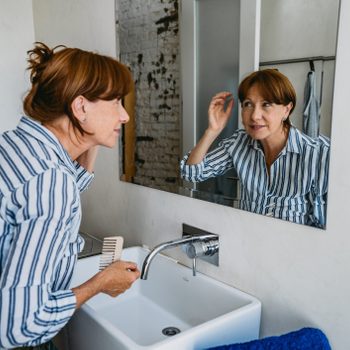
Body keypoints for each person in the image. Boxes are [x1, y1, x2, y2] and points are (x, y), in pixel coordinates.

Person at [0, 42, 140, 349]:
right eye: (116, 101)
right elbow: (20, 325)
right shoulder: (51, 182)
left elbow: (55, 192)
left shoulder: (18, 146)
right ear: (80, 108)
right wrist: (101, 283)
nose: (125, 116)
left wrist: (88, 138)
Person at [180, 69, 330, 228]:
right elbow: (191, 173)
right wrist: (212, 131)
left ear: (286, 110)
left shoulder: (319, 154)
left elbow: (326, 223)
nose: (254, 116)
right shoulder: (239, 142)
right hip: (248, 241)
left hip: (293, 248)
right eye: (248, 104)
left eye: (266, 104)